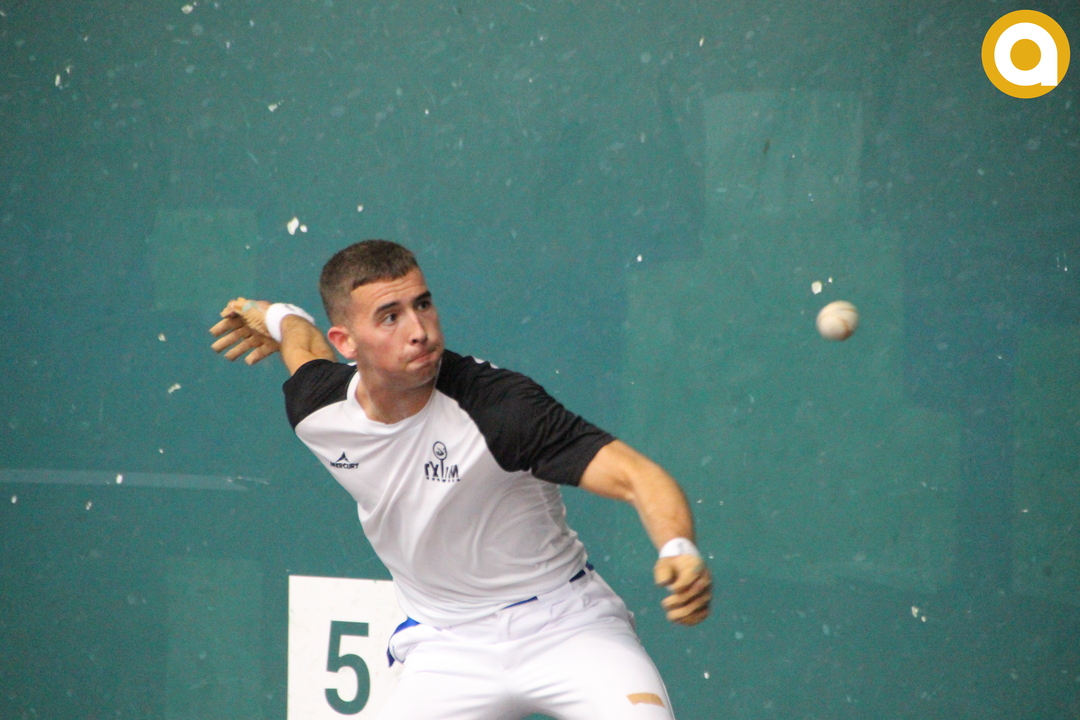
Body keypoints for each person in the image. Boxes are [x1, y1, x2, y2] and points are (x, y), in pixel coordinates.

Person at [210, 239, 711, 719]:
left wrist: (678, 548)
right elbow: (302, 344)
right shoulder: (318, 410)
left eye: (423, 305)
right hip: (445, 645)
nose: (419, 330)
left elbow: (637, 476)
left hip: (567, 625)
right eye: (390, 316)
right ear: (346, 342)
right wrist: (275, 314)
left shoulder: (500, 408)